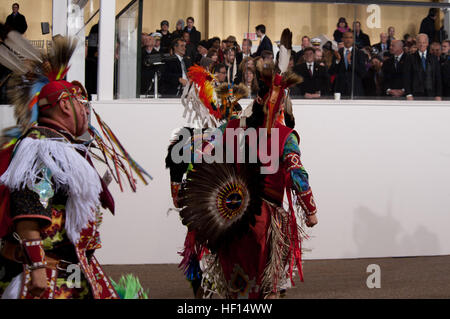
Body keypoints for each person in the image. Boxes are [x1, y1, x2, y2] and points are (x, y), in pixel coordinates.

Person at [0, 35, 149, 299]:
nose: (86, 112)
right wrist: (36, 268)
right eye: (82, 104)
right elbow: (27, 210)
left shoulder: (61, 146)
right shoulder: (42, 148)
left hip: (73, 269)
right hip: (49, 273)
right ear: (66, 105)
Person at [176, 60, 317, 299]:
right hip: (267, 215)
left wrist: (189, 189)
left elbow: (201, 155)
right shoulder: (285, 136)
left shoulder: (230, 128)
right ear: (279, 104)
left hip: (229, 214)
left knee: (236, 284)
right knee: (267, 285)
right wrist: (310, 208)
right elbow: (296, 171)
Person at [329, 31, 367, 97]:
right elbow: (331, 72)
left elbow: (362, 72)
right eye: (346, 37)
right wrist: (337, 61)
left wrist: (350, 62)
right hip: (340, 89)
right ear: (342, 39)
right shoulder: (338, 53)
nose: (348, 40)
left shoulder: (359, 53)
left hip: (355, 89)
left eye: (351, 37)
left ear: (353, 40)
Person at [405, 33, 442, 100]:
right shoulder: (410, 58)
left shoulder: (434, 58)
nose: (422, 45)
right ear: (416, 44)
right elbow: (407, 77)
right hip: (415, 94)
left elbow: (438, 78)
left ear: (427, 43)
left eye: (424, 42)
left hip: (431, 94)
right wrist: (408, 94)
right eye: (419, 42)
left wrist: (438, 94)